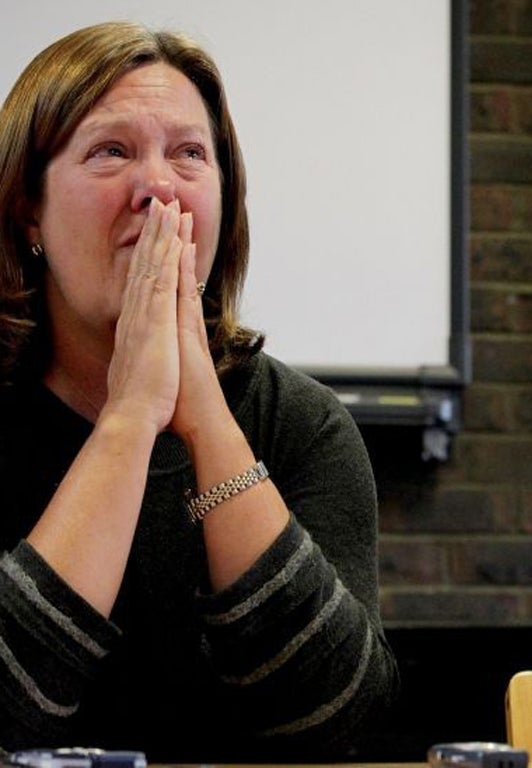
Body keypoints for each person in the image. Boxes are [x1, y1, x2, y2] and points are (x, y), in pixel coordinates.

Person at [0, 21, 399, 762]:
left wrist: (204, 418)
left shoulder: (300, 425)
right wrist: (128, 422)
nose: (158, 188)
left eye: (189, 155)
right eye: (111, 151)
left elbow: (339, 722)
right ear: (28, 210)